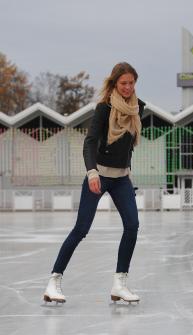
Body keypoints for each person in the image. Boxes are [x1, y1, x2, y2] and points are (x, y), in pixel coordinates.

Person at [43, 62, 145, 304]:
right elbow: (90, 142)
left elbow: (128, 144)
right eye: (123, 83)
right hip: (98, 175)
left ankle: (120, 284)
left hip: (121, 178)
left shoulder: (138, 108)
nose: (128, 87)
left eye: (131, 82)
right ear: (115, 84)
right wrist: (91, 173)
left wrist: (127, 170)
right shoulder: (104, 108)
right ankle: (53, 281)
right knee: (81, 229)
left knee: (132, 225)